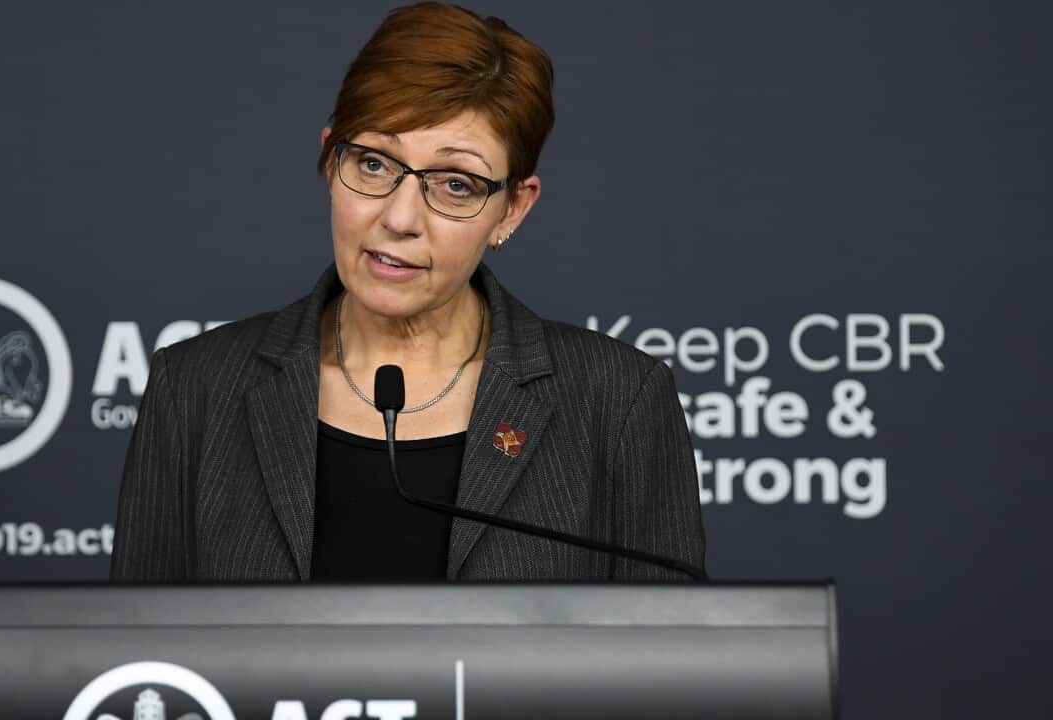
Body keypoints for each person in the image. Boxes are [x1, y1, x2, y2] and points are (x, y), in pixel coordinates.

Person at [110, 1, 704, 583]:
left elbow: (667, 666)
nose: (399, 217)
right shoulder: (193, 391)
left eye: (455, 184)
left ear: (513, 208)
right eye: (373, 164)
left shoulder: (618, 404)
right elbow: (134, 661)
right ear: (328, 157)